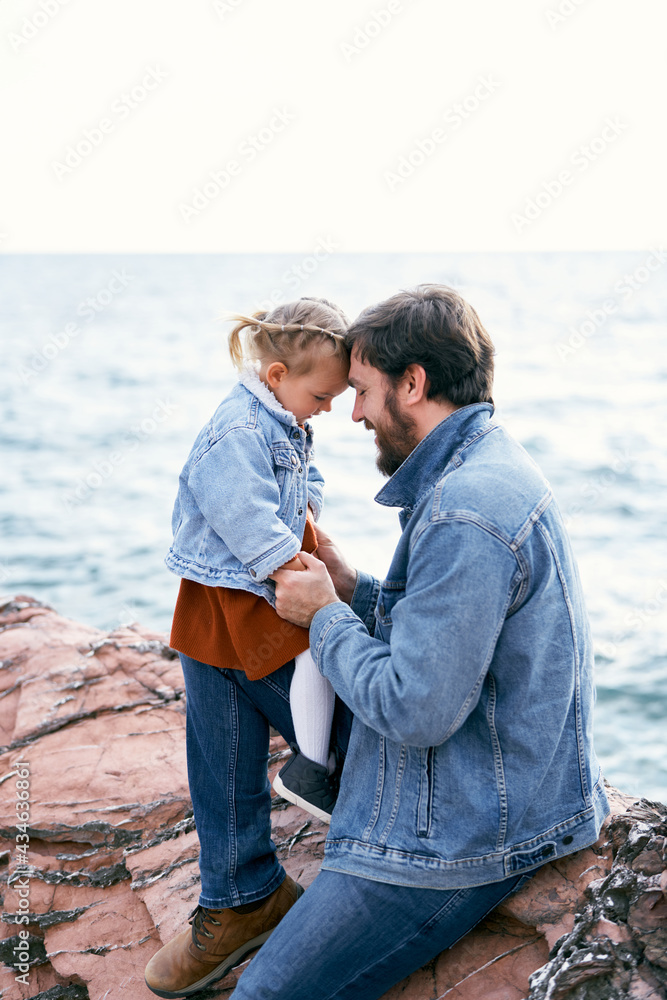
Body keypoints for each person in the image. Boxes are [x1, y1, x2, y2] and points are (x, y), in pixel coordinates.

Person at [146, 284, 610, 1000]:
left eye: (360, 391)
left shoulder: (467, 511)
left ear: (413, 383)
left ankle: (264, 876)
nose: (353, 412)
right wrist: (354, 588)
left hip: (461, 823)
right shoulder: (473, 464)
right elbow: (443, 632)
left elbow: (416, 710)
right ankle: (242, 894)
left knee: (262, 997)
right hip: (459, 760)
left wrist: (324, 615)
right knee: (215, 644)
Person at [145, 297, 350, 999]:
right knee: (226, 679)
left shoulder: (281, 417)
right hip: (239, 581)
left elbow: (302, 479)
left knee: (288, 675)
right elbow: (236, 505)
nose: (327, 409)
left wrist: (309, 527)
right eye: (322, 395)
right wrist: (284, 559)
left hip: (247, 585)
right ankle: (243, 890)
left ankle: (251, 877)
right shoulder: (237, 428)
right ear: (276, 372)